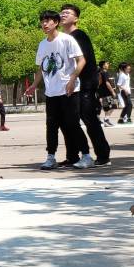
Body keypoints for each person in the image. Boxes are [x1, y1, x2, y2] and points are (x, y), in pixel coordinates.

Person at [35, 10, 92, 170]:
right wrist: (34, 85)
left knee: (72, 124)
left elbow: (82, 60)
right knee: (51, 126)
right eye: (42, 21)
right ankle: (51, 157)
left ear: (56, 23)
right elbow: (41, 68)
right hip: (51, 92)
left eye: (48, 21)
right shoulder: (42, 44)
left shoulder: (67, 40)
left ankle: (87, 156)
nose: (44, 24)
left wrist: (73, 79)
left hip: (69, 90)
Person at [59, 4, 109, 165]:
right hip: (71, 84)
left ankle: (103, 155)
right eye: (62, 12)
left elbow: (83, 60)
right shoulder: (63, 38)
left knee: (88, 118)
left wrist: (74, 78)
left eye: (67, 13)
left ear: (76, 18)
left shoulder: (79, 35)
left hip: (84, 83)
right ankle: (72, 156)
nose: (63, 14)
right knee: (68, 120)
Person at [97, 60, 118, 127]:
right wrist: (112, 91)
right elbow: (107, 83)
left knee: (106, 107)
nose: (108, 65)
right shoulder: (105, 72)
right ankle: (106, 119)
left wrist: (99, 93)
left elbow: (99, 83)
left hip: (102, 93)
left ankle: (107, 121)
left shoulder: (100, 73)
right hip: (107, 93)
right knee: (113, 106)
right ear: (103, 66)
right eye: (107, 64)